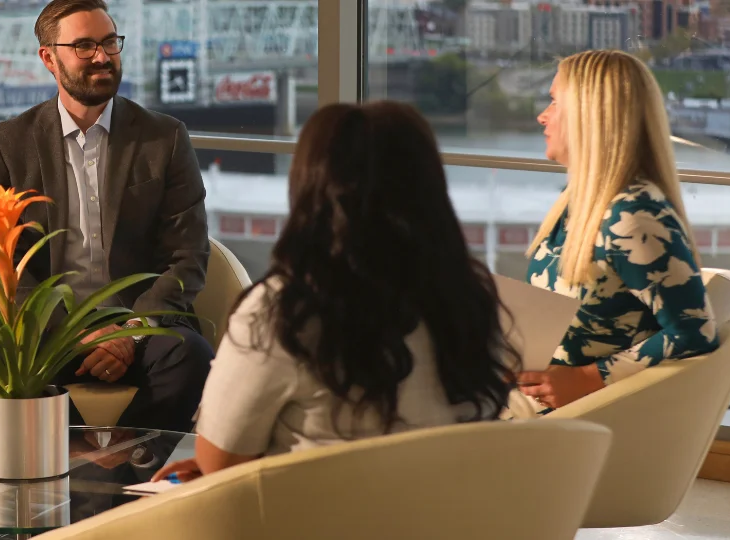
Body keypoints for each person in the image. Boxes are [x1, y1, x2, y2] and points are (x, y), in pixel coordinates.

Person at [152, 102, 518, 482]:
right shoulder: (469, 299)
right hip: (450, 510)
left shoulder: (283, 311)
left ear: (310, 187)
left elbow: (220, 464)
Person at [0, 0, 213, 432]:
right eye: (84, 46)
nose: (102, 56)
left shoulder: (165, 138)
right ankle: (72, 460)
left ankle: (125, 464)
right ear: (49, 58)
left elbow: (187, 256)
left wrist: (130, 333)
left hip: (138, 325)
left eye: (109, 42)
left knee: (190, 357)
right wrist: (74, 335)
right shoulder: (8, 144)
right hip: (47, 331)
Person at [516, 50, 718, 414]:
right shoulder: (582, 199)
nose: (542, 116)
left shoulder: (633, 215)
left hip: (575, 418)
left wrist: (588, 379)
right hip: (536, 396)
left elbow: (694, 332)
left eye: (554, 102)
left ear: (588, 115)